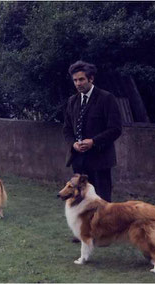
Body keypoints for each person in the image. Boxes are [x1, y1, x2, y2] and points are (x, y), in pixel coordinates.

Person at [63, 60, 122, 203]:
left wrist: (94, 142)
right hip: (78, 161)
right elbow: (67, 129)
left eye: (81, 79)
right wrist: (73, 144)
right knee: (80, 202)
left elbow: (115, 129)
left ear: (91, 78)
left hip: (100, 161)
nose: (78, 83)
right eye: (75, 80)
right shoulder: (72, 101)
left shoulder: (106, 98)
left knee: (101, 203)